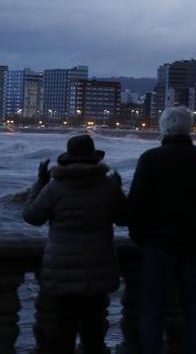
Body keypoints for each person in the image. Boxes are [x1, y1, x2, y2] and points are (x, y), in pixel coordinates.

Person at [128, 106, 196, 354]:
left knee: (153, 311)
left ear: (163, 128)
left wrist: (139, 237)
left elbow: (136, 204)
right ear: (190, 128)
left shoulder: (150, 159)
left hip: (158, 244)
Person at [22, 134, 127, 354]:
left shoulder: (55, 187)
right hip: (99, 272)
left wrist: (39, 183)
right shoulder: (107, 186)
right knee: (94, 337)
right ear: (94, 158)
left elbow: (32, 216)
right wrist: (119, 189)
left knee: (62, 337)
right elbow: (124, 218)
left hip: (61, 274)